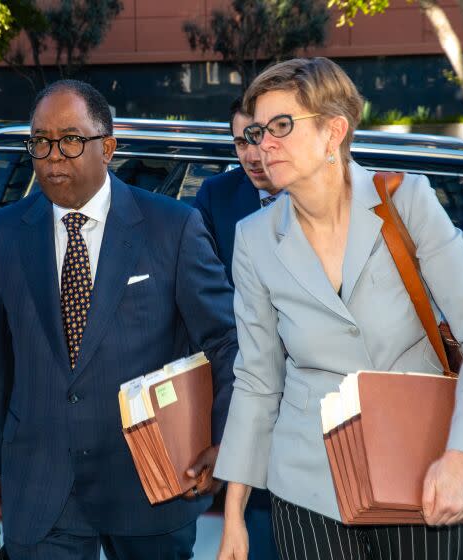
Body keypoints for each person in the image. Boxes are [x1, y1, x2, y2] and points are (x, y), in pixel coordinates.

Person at [214, 57, 463, 560]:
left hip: (424, 474)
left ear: (334, 132)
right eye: (259, 130)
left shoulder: (406, 200)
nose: (264, 143)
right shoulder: (254, 239)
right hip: (308, 486)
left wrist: (462, 458)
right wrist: (234, 516)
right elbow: (258, 381)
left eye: (282, 126)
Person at [0, 79, 238, 559]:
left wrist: (223, 440)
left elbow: (224, 341)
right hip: (42, 484)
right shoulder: (3, 234)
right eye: (40, 141)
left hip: (152, 481)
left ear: (107, 147)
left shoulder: (172, 227)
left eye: (71, 140)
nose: (52, 156)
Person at [194, 98, 281, 560]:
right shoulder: (216, 197)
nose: (249, 153)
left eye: (258, 137)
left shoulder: (320, 198)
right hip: (247, 383)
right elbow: (203, 294)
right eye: (238, 141)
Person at [195, 96, 283, 284]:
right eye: (242, 143)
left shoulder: (323, 194)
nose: (251, 157)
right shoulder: (216, 195)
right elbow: (202, 282)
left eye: (258, 139)